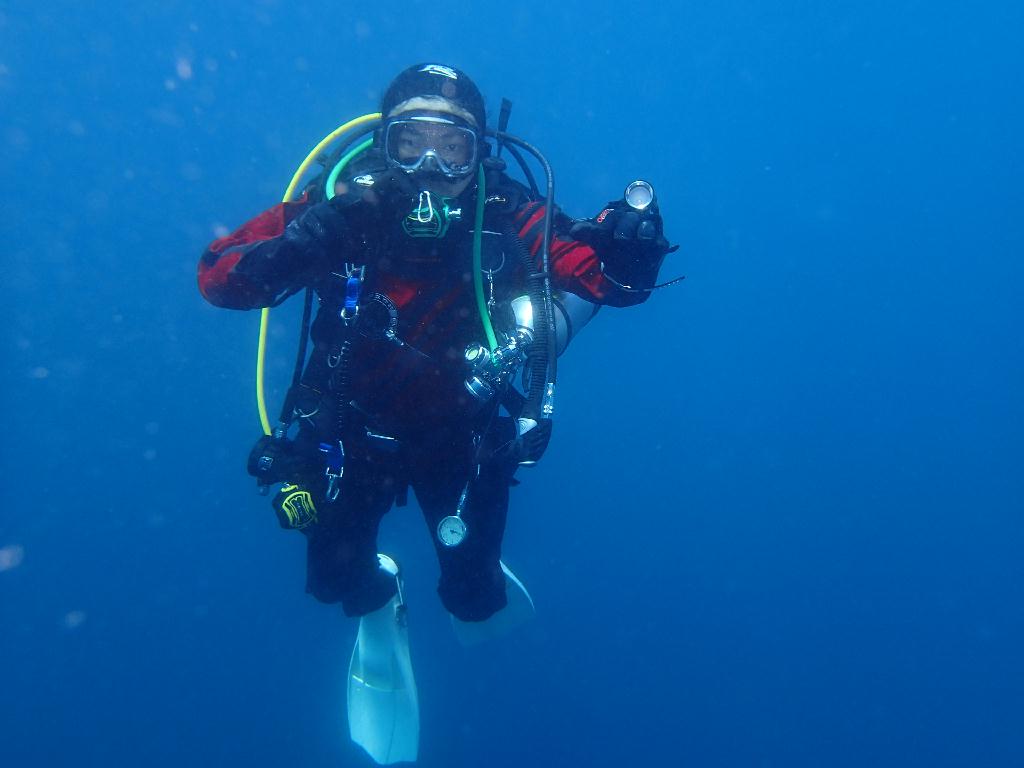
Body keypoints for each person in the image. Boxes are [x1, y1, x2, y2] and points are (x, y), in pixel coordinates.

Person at [198, 63, 674, 763]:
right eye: (409, 141)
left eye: (451, 147)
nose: (429, 167)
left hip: (463, 440)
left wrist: (634, 249)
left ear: (479, 152)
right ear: (382, 144)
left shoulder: (510, 214)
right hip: (346, 438)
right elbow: (218, 275)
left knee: (474, 601)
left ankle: (467, 585)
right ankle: (380, 590)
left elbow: (606, 279)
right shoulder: (336, 208)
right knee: (336, 585)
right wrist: (312, 237)